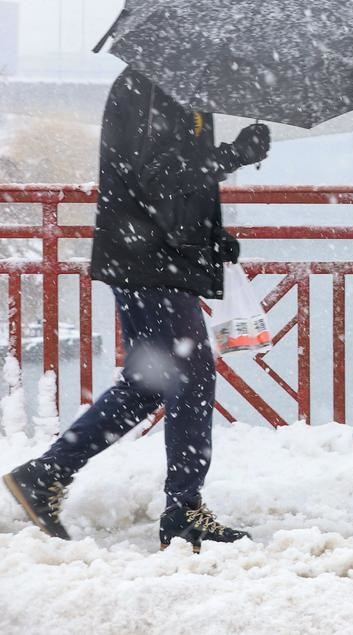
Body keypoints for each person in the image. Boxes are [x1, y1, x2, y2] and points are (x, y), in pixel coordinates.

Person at [3, 68, 271, 548]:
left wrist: (211, 239)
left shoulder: (180, 87)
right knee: (192, 376)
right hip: (146, 261)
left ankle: (47, 473)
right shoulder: (151, 86)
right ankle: (184, 509)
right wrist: (234, 154)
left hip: (153, 257)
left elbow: (176, 185)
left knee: (152, 381)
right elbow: (156, 178)